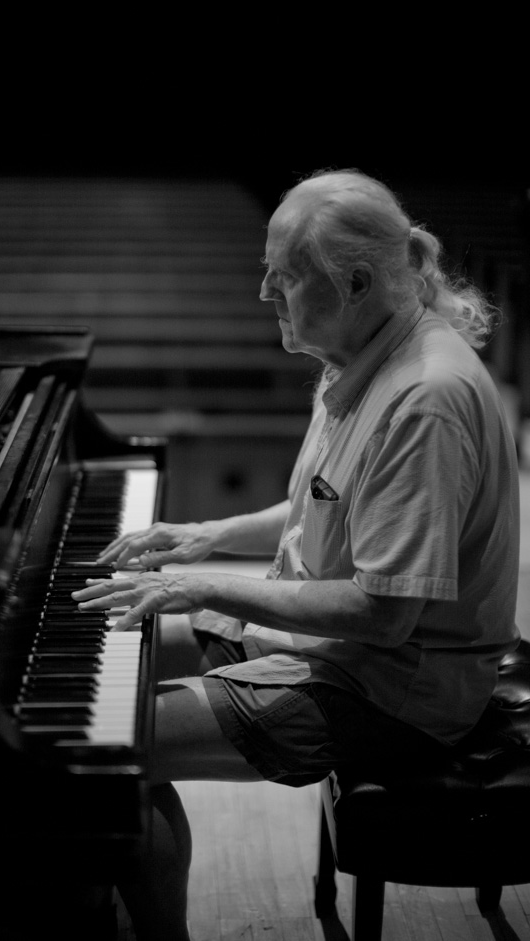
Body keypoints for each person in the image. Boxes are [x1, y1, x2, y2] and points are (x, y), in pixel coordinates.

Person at [72, 168, 521, 941]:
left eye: (283, 277)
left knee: (109, 752)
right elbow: (325, 508)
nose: (264, 293)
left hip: (398, 688)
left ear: (353, 281)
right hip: (329, 644)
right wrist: (206, 538)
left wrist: (206, 586)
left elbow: (382, 612)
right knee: (102, 644)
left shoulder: (424, 399)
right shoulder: (366, 348)